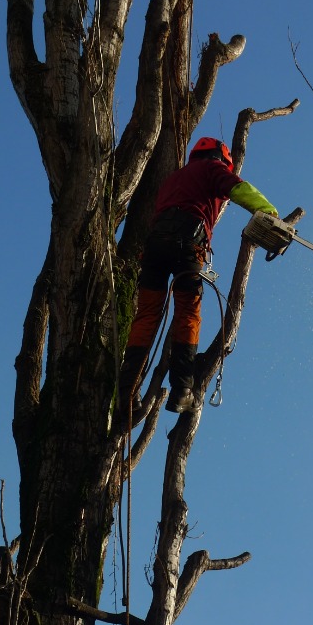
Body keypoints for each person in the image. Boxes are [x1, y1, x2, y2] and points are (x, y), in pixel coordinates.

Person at [118, 136, 278, 416]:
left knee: (146, 316)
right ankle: (182, 390)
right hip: (186, 244)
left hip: (155, 247)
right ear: (221, 159)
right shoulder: (212, 169)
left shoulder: (173, 179)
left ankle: (125, 393)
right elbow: (239, 189)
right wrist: (268, 212)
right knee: (188, 313)